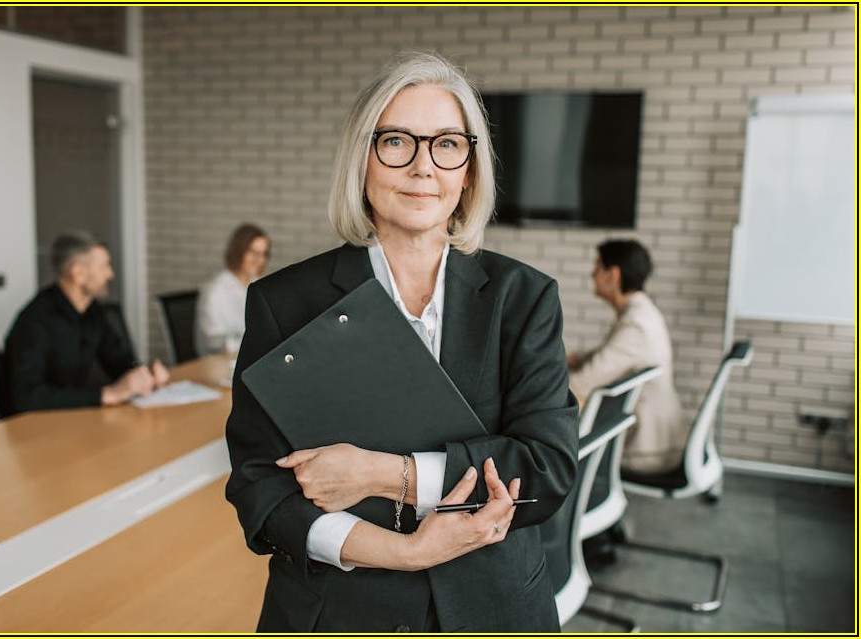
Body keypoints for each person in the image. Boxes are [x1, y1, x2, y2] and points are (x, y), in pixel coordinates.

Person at [225, 52, 578, 633]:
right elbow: (259, 487)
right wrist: (407, 551)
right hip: (339, 609)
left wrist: (380, 474)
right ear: (362, 159)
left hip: (490, 605)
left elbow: (546, 470)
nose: (423, 167)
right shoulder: (283, 302)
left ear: (469, 168)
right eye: (396, 142)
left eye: (446, 143)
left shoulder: (524, 298)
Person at [1, 231, 169, 414]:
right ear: (78, 273)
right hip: (29, 430)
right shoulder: (35, 321)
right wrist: (107, 394)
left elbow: (117, 361)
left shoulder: (92, 311)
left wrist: (146, 373)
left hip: (71, 419)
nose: (110, 275)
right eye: (104, 266)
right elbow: (28, 397)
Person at [567, 239, 687, 474]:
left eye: (597, 267)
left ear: (613, 275)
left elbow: (581, 382)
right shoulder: (640, 313)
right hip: (656, 440)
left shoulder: (636, 324)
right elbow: (605, 356)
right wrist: (572, 358)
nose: (592, 274)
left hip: (648, 451)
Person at [195, 223, 270, 356]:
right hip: (218, 362)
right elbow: (212, 341)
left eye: (263, 254)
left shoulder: (258, 284)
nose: (259, 260)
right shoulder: (215, 291)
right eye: (253, 253)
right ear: (238, 251)